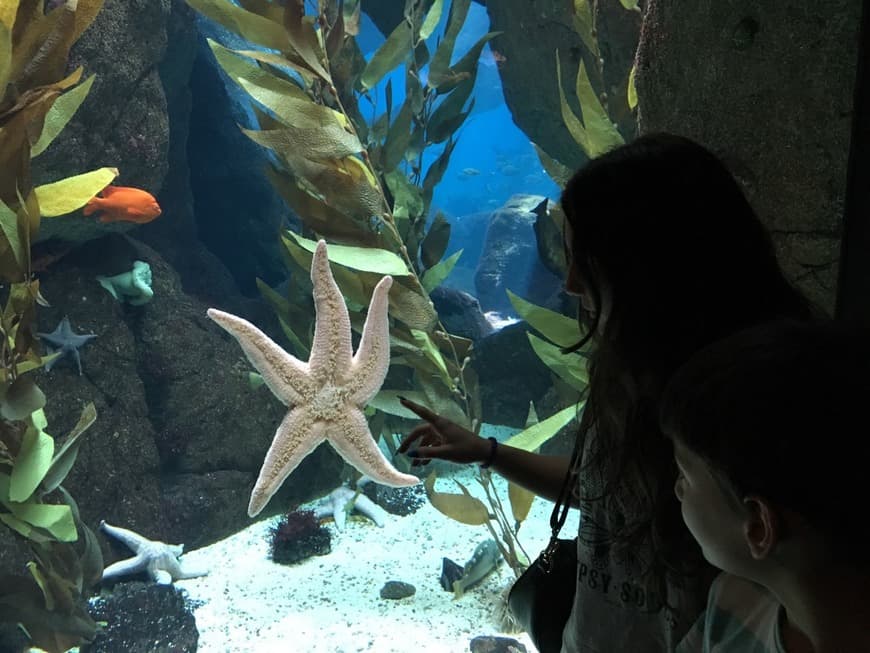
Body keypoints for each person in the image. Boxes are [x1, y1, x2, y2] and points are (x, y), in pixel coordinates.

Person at [397, 133, 817, 652]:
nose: (570, 283)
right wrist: (487, 451)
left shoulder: (740, 400)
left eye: (584, 258)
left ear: (646, 261)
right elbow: (603, 491)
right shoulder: (623, 370)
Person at [660, 319, 870, 653]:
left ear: (758, 526)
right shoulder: (733, 599)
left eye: (685, 475)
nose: (677, 489)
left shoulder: (739, 603)